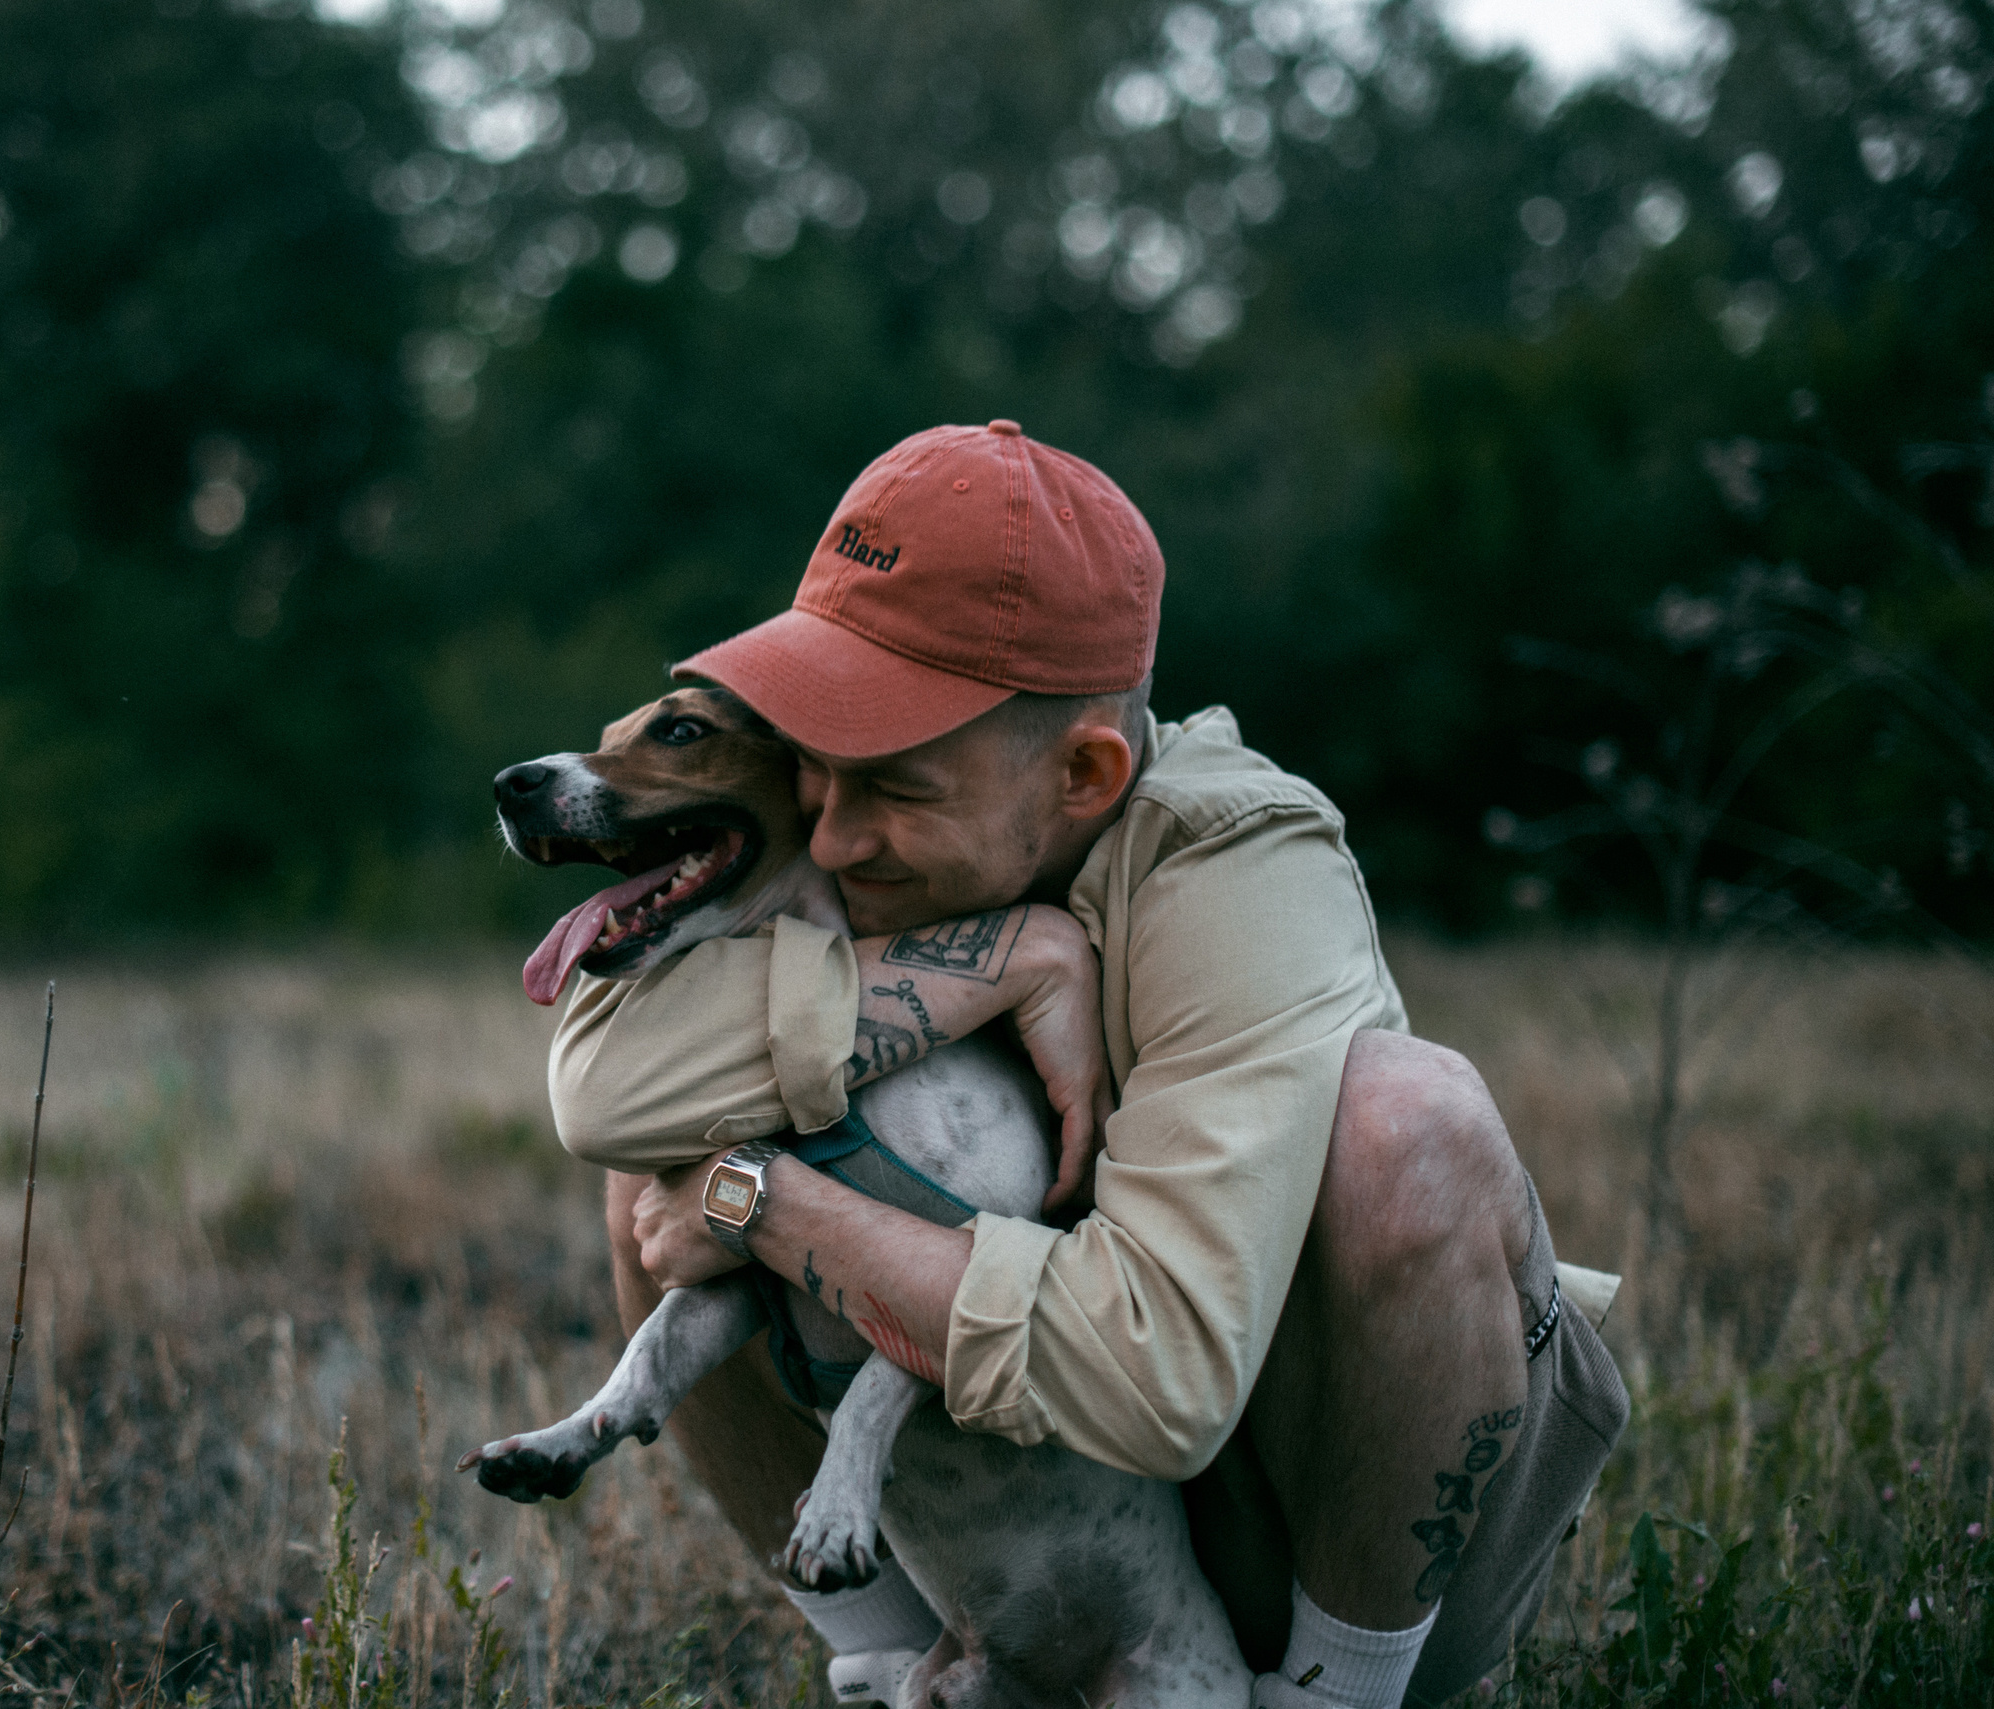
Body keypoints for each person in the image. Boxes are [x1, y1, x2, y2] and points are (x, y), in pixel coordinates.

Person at [544, 422, 1628, 1708]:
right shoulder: (863, 847)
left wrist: (764, 1202)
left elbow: (1157, 1376)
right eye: (815, 766)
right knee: (664, 1141)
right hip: (1034, 1535)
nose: (829, 834)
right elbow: (601, 1093)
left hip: (1317, 1516)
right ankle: (898, 1662)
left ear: (1084, 772)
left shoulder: (1241, 873)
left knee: (1412, 1121)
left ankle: (1337, 1693)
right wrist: (1019, 953)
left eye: (889, 781)